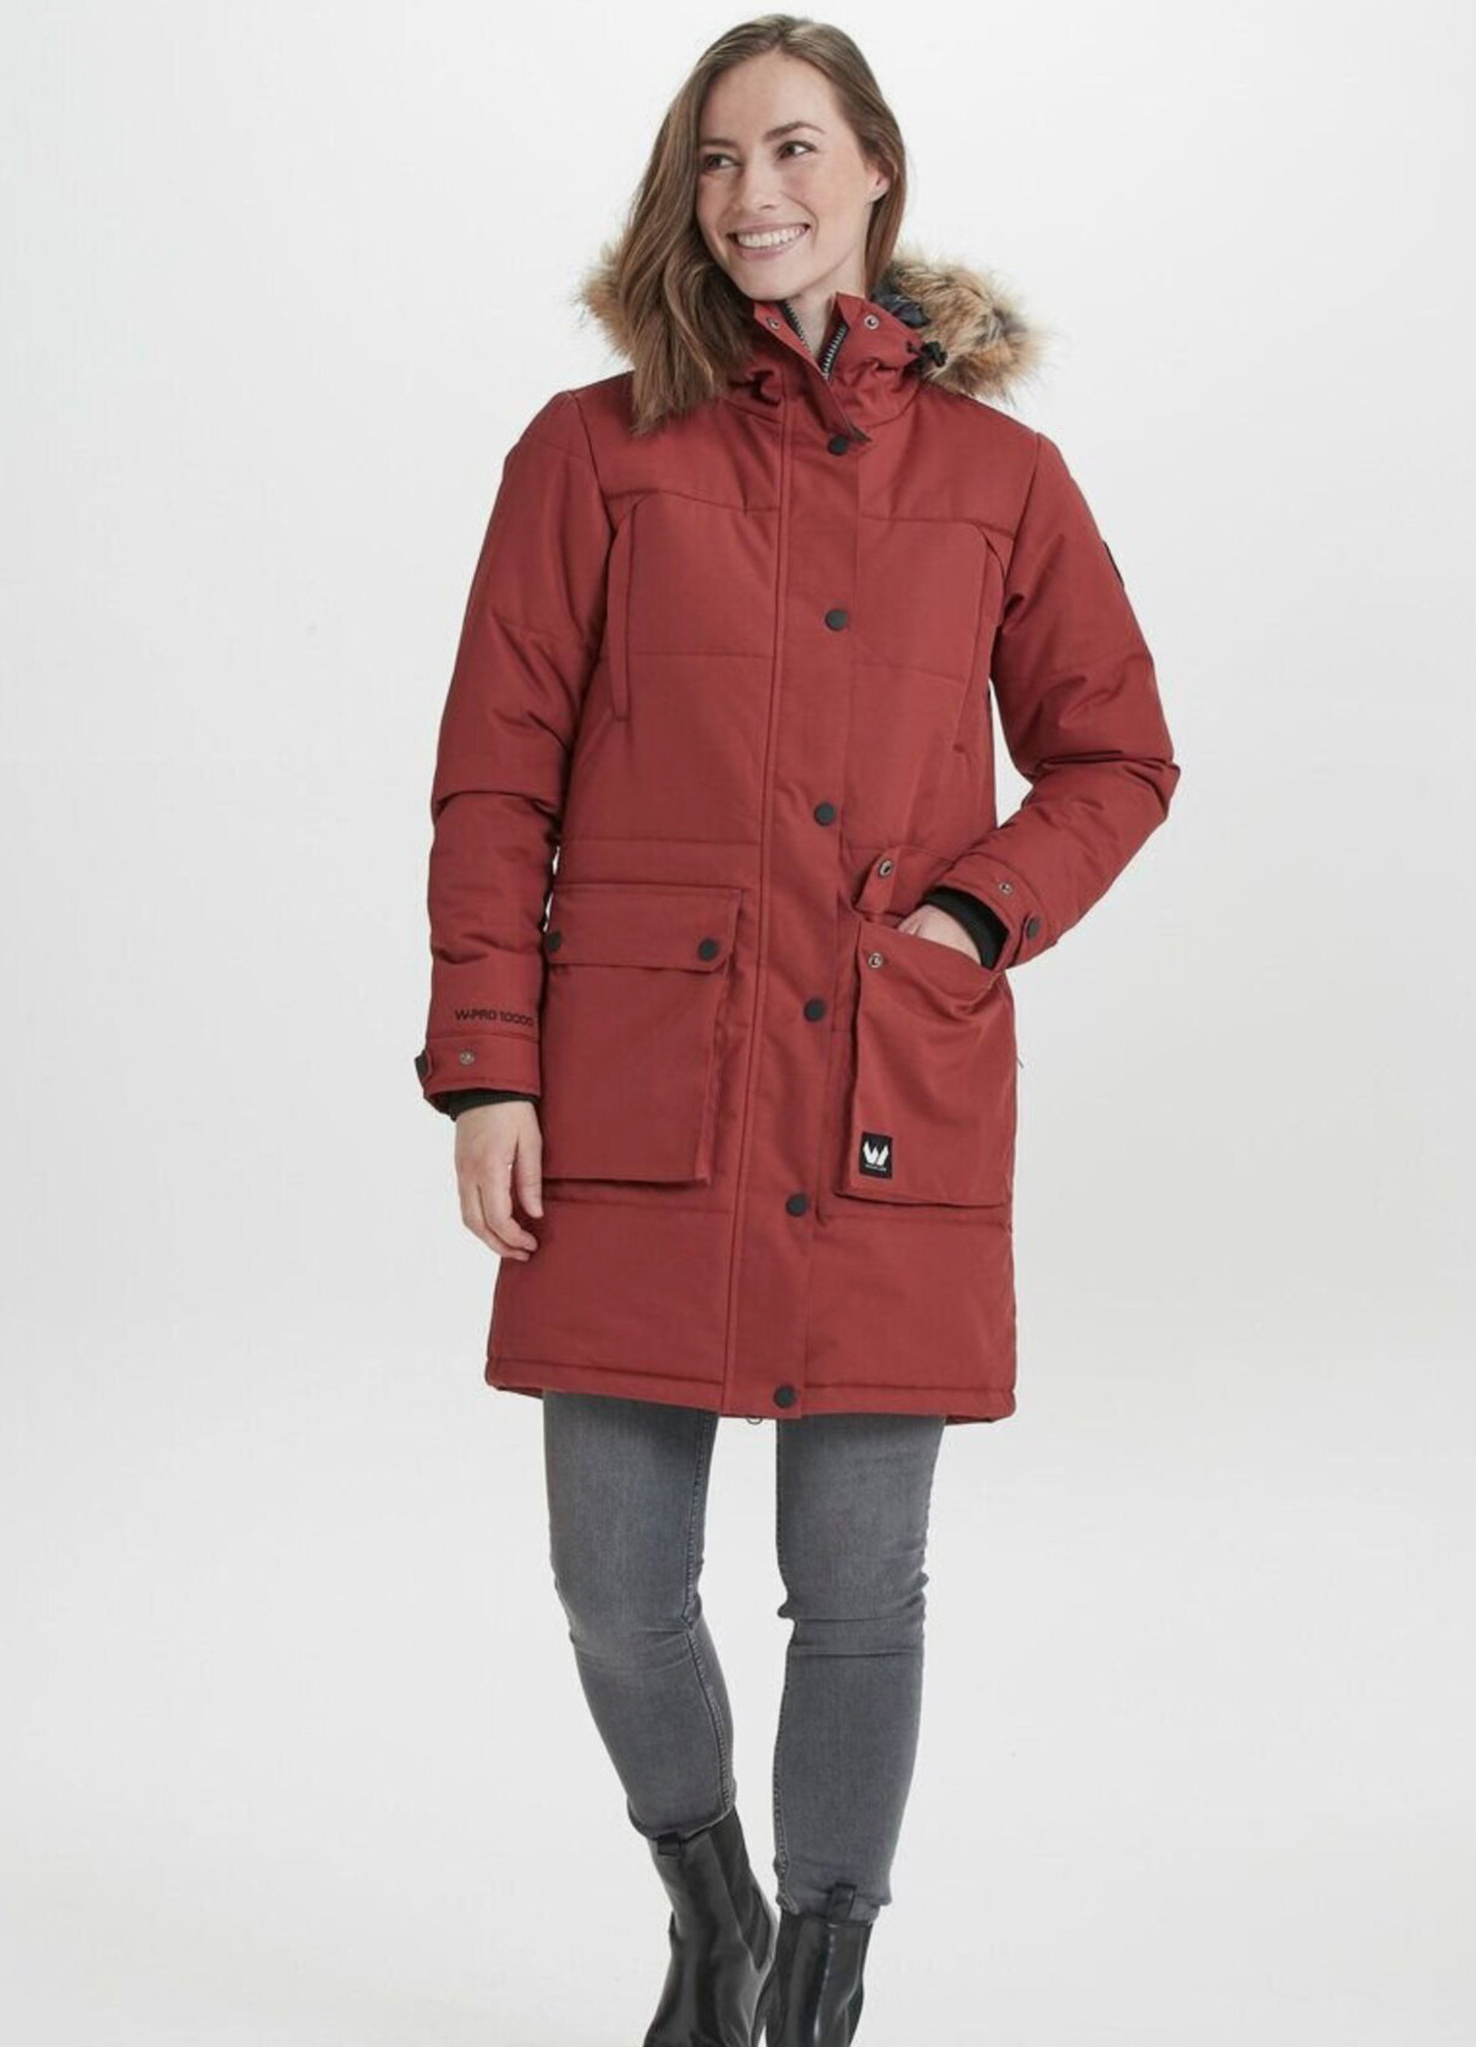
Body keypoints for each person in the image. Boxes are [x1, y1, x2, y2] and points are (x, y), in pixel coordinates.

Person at [413, 16, 1180, 2043]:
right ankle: (714, 1907)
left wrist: (969, 915)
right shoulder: (591, 453)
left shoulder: (1002, 480)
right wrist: (489, 1067)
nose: (753, 194)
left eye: (793, 149)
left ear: (877, 170)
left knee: (857, 1594)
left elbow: (1117, 754)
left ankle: (823, 1985)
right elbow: (494, 779)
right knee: (614, 1584)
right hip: (634, 1097)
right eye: (716, 159)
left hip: (880, 1091)